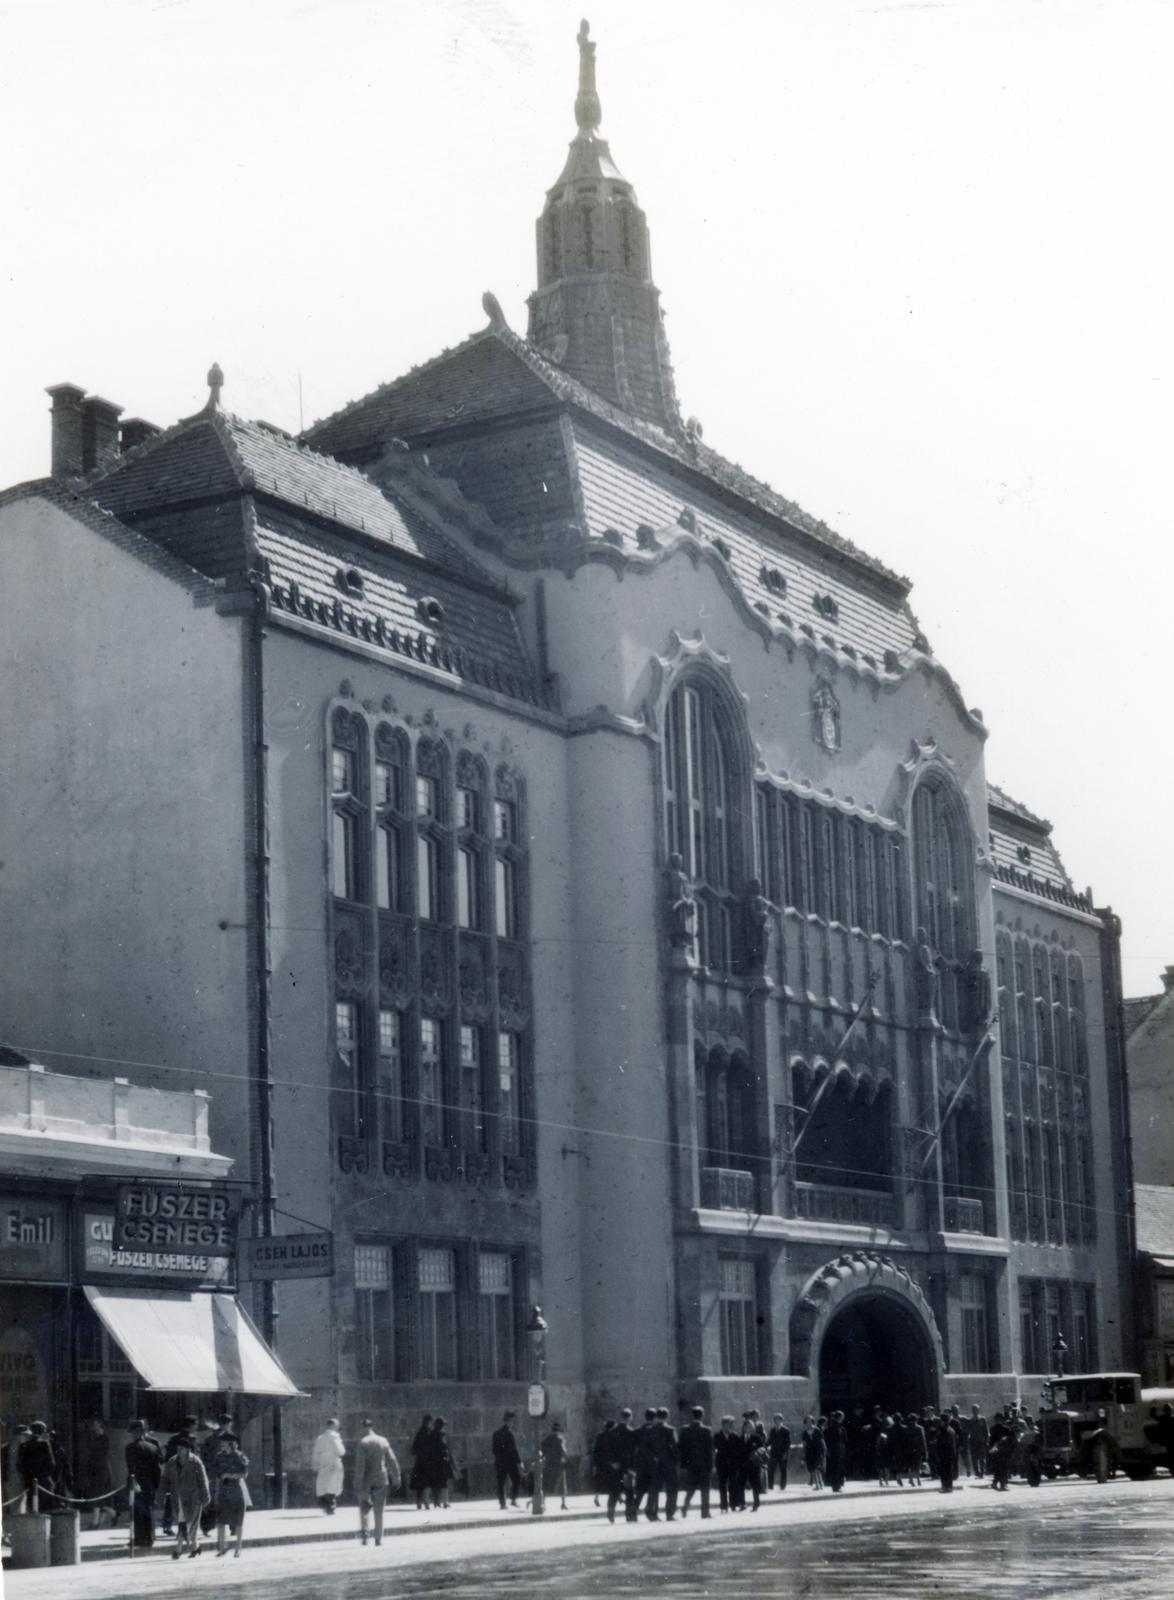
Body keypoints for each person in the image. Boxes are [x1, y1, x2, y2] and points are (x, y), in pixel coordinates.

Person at [159, 1436, 209, 1560]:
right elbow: (164, 1480)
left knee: (189, 1523)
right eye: (178, 1448)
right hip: (178, 1498)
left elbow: (203, 1480)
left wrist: (206, 1496)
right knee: (184, 1523)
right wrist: (160, 1495)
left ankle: (178, 1549)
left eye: (181, 1449)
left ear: (188, 1450)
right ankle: (195, 1547)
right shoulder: (172, 1462)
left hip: (193, 1498)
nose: (179, 1451)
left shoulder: (195, 1462)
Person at [354, 1418, 400, 1547]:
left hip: (366, 1481)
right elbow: (392, 1460)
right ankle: (378, 1538)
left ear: (363, 1427)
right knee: (379, 1510)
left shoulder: (363, 1443)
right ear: (372, 1427)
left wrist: (357, 1482)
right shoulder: (383, 1441)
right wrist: (396, 1476)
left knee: (364, 1508)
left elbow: (360, 1466)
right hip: (381, 1478)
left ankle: (365, 1535)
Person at [212, 1431, 250, 1558]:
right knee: (221, 1521)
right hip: (223, 1491)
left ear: (231, 1443)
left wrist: (229, 1475)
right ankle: (223, 1547)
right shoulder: (219, 1457)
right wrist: (216, 1493)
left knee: (238, 1522)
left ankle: (238, 1548)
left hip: (236, 1491)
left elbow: (244, 1474)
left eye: (224, 1442)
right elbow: (217, 1476)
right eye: (221, 1442)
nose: (222, 1445)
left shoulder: (239, 1456)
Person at [124, 1420, 163, 1547]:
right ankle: (150, 1538)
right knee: (148, 1510)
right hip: (150, 1484)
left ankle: (139, 1538)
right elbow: (157, 1469)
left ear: (135, 1433)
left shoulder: (130, 1448)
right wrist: (157, 1486)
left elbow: (131, 1469)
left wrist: (132, 1482)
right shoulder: (153, 1447)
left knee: (137, 1512)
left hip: (137, 1484)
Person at [162, 1416, 199, 1535]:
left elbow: (167, 1458)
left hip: (175, 1472)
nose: (196, 1427)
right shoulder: (191, 1439)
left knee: (172, 1499)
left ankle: (167, 1525)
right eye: (195, 1424)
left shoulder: (174, 1439)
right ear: (191, 1425)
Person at [678, 1405, 713, 1520]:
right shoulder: (706, 1430)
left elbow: (681, 1448)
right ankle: (705, 1512)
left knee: (690, 1488)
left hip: (691, 1465)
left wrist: (683, 1464)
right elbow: (709, 1450)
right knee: (705, 1489)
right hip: (704, 1465)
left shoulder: (685, 1429)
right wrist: (711, 1465)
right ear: (702, 1415)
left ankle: (685, 1507)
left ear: (692, 1415)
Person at [78, 1419, 115, 1529]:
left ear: (101, 1427)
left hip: (100, 1470)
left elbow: (97, 1454)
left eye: (95, 1424)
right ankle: (100, 1520)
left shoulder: (103, 1439)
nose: (93, 1427)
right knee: (98, 1495)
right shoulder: (97, 1438)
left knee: (96, 1495)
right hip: (98, 1470)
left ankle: (102, 1519)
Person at [606, 1407, 638, 1523]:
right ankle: (629, 1515)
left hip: (616, 1466)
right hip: (627, 1466)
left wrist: (612, 1462)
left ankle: (611, 1513)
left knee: (614, 1491)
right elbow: (633, 1451)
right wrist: (633, 1467)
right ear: (630, 1418)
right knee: (629, 1492)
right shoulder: (631, 1432)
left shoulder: (612, 1432)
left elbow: (608, 1450)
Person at [646, 1407, 678, 1520]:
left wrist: (653, 1457)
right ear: (667, 1416)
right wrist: (676, 1460)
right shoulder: (670, 1430)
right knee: (672, 1489)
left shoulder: (650, 1430)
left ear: (657, 1416)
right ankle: (670, 1513)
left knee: (654, 1488)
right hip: (668, 1463)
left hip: (655, 1463)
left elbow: (645, 1447)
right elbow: (675, 1447)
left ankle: (651, 1512)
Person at [418, 1416, 456, 1509]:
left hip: (432, 1462)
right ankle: (444, 1502)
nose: (443, 1426)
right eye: (442, 1425)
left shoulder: (430, 1434)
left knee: (431, 1482)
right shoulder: (441, 1434)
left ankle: (429, 1501)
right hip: (440, 1462)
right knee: (443, 1483)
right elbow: (444, 1448)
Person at [17, 1422, 56, 1511]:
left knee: (32, 1509)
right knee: (45, 1510)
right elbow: (52, 1464)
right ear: (42, 1431)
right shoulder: (45, 1444)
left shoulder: (23, 1446)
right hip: (44, 1482)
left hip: (29, 1483)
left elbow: (19, 1466)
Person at [312, 1418, 345, 1514]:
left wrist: (315, 1464)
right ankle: (331, 1506)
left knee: (323, 1484)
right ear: (334, 1426)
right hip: (333, 1462)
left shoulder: (320, 1438)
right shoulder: (335, 1437)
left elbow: (315, 1453)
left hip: (323, 1463)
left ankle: (325, 1504)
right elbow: (340, 1451)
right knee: (333, 1484)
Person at [492, 1410, 523, 1509]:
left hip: (500, 1462)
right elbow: (514, 1450)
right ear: (510, 1421)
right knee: (517, 1479)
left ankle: (502, 1503)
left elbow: (494, 1449)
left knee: (501, 1483)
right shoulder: (510, 1434)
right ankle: (513, 1499)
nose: (513, 1423)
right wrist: (519, 1462)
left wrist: (499, 1457)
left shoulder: (496, 1434)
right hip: (510, 1462)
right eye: (512, 1421)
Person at [740, 1410, 767, 1512]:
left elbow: (762, 1448)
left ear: (753, 1428)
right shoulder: (740, 1438)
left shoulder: (756, 1438)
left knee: (755, 1484)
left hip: (754, 1464)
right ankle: (742, 1504)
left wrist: (757, 1452)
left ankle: (756, 1504)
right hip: (743, 1464)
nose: (748, 1429)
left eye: (750, 1427)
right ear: (744, 1428)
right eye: (747, 1427)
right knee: (741, 1484)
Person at [714, 1416, 741, 1513]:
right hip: (721, 1464)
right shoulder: (717, 1436)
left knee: (733, 1485)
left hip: (733, 1464)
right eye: (730, 1424)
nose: (731, 1426)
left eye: (732, 1424)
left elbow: (739, 1450)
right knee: (722, 1485)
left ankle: (733, 1504)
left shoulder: (735, 1436)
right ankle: (723, 1506)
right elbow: (714, 1450)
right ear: (724, 1424)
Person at [541, 1420, 570, 1511]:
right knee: (562, 1485)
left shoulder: (546, 1439)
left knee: (545, 1484)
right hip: (558, 1465)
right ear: (559, 1430)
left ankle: (543, 1503)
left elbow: (542, 1451)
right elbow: (564, 1452)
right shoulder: (560, 1439)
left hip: (548, 1464)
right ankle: (563, 1504)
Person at [408, 1413, 433, 1509]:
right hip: (427, 1461)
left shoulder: (420, 1432)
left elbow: (414, 1448)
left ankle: (420, 1502)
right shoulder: (429, 1432)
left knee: (420, 1483)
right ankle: (425, 1502)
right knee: (426, 1482)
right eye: (430, 1422)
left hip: (420, 1460)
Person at [590, 1419, 615, 1507]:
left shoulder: (600, 1435)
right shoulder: (613, 1436)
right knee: (613, 1480)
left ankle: (596, 1498)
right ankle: (618, 1497)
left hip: (600, 1462)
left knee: (599, 1481)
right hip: (610, 1462)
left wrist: (594, 1464)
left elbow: (596, 1450)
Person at [933, 1414, 960, 1493]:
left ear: (943, 1421)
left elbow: (942, 1442)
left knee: (944, 1472)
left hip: (944, 1454)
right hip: (949, 1454)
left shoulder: (944, 1430)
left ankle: (945, 1487)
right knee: (948, 1471)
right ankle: (949, 1487)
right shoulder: (951, 1429)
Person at [767, 1414, 791, 1491]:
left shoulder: (786, 1430)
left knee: (783, 1469)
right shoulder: (772, 1430)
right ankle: (770, 1486)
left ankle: (782, 1486)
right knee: (771, 1469)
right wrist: (764, 1446)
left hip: (782, 1453)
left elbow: (788, 1443)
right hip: (774, 1452)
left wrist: (785, 1453)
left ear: (781, 1420)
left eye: (778, 1420)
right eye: (775, 1420)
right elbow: (770, 1440)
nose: (776, 1421)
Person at [825, 1411, 848, 1493]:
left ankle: (838, 1485)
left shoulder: (842, 1429)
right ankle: (836, 1486)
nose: (842, 1419)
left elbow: (845, 1440)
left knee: (840, 1469)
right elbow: (827, 1441)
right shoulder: (830, 1429)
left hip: (840, 1451)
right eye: (841, 1418)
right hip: (834, 1451)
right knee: (835, 1469)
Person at [803, 1414, 826, 1490]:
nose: (808, 1422)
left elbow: (822, 1440)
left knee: (817, 1468)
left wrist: (824, 1448)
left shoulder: (817, 1430)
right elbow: (804, 1444)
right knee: (812, 1469)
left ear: (812, 1422)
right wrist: (803, 1455)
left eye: (810, 1421)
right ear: (805, 1422)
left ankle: (818, 1484)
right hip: (809, 1452)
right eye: (807, 1421)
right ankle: (819, 1483)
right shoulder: (804, 1433)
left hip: (817, 1451)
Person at [967, 1405, 990, 1478]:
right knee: (974, 1458)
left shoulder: (982, 1419)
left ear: (978, 1410)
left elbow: (986, 1431)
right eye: (973, 1410)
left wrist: (987, 1440)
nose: (975, 1411)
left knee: (982, 1458)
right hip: (973, 1441)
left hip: (981, 1441)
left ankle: (982, 1472)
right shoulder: (970, 1420)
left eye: (976, 1410)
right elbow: (969, 1431)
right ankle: (977, 1472)